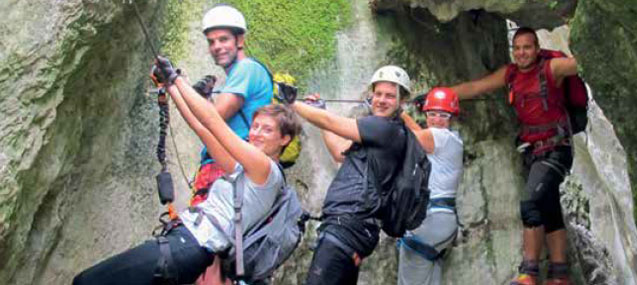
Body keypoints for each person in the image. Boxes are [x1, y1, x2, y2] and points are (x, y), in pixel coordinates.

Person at [72, 58, 301, 285]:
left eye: (267, 129)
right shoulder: (245, 169)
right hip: (187, 245)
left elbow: (214, 122)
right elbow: (202, 128)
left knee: (86, 282)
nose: (257, 133)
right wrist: (170, 86)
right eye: (256, 126)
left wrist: (176, 78)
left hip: (190, 244)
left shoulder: (266, 169)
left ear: (284, 139)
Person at [450, 27, 579, 285]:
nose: (521, 53)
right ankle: (559, 274)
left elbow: (582, 63)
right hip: (534, 153)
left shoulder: (551, 68)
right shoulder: (510, 74)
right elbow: (477, 86)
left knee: (530, 203)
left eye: (527, 47)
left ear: (537, 49)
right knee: (549, 209)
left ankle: (529, 273)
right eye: (517, 48)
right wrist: (439, 94)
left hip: (556, 149)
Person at [283, 65, 411, 285]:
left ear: (402, 101)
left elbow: (333, 123)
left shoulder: (385, 128)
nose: (381, 100)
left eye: (390, 96)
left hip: (347, 227)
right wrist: (321, 110)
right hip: (352, 229)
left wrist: (292, 103)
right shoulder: (379, 134)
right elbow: (340, 151)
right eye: (378, 93)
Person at [191, 4, 273, 207]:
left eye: (224, 39)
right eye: (211, 42)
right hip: (232, 164)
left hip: (230, 165)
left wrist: (176, 84)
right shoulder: (243, 74)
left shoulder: (245, 69)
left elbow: (212, 120)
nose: (216, 46)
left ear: (240, 40)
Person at [397, 87, 463, 285]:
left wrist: (396, 111)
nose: (436, 120)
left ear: (452, 118)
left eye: (443, 115)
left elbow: (414, 137)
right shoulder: (450, 141)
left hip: (431, 219)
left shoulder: (442, 137)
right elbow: (422, 135)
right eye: (432, 114)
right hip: (442, 221)